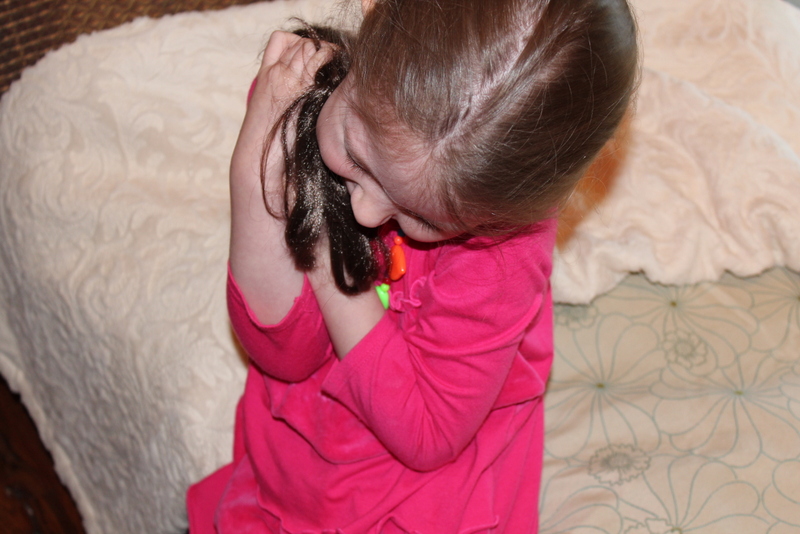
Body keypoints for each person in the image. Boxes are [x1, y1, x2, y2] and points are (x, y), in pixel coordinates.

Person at [187, 0, 638, 531]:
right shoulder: (302, 98)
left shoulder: (503, 247)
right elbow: (283, 354)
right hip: (302, 462)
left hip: (432, 497)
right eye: (356, 157)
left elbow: (426, 434)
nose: (364, 212)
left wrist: (330, 259)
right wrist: (255, 169)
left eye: (423, 217)